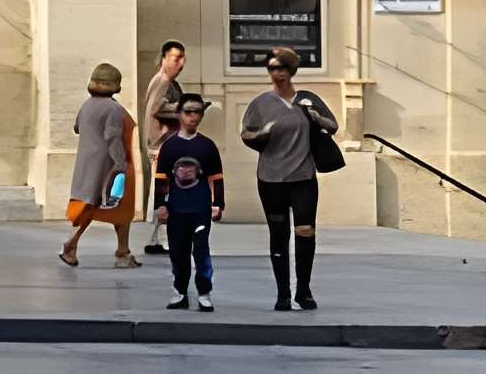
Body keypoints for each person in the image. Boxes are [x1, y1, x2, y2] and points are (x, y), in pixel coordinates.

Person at [240, 47, 339, 313]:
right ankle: (283, 293)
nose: (277, 73)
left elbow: (332, 126)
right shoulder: (261, 103)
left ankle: (303, 290)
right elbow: (246, 135)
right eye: (272, 68)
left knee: (305, 231)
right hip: (271, 177)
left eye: (282, 68)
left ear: (292, 70)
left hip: (303, 176)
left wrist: (314, 115)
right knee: (278, 234)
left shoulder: (306, 99)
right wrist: (261, 133)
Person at [59, 62, 136, 267]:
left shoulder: (86, 104)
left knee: (109, 206)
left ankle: (123, 250)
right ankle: (72, 244)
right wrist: (120, 163)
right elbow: (112, 137)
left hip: (86, 160)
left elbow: (77, 128)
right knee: (98, 204)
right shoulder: (112, 108)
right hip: (107, 164)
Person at [154, 92, 225, 312]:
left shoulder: (207, 146)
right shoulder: (169, 147)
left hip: (200, 208)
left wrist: (218, 204)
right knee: (178, 251)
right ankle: (180, 291)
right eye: (188, 112)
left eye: (198, 112)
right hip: (177, 209)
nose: (193, 117)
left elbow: (217, 177)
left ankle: (204, 292)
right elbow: (161, 179)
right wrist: (161, 205)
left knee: (201, 249)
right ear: (179, 114)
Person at [139, 40, 189, 257]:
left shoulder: (166, 83)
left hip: (163, 145)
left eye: (182, 58)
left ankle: (157, 238)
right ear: (164, 59)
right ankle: (164, 239)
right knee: (166, 193)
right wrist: (186, 109)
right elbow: (157, 110)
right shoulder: (163, 83)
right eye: (176, 58)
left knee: (163, 194)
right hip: (163, 146)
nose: (181, 63)